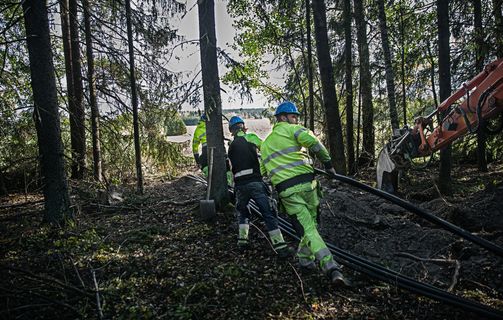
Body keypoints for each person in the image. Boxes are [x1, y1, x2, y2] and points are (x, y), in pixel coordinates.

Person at [260, 101, 348, 285]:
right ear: (283, 117)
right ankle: (331, 267)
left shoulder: (266, 144)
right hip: (308, 187)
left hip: (287, 192)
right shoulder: (295, 130)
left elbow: (263, 171)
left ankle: (305, 260)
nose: (296, 120)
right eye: (293, 116)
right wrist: (329, 166)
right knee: (310, 228)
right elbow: (315, 144)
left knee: (309, 228)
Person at [227, 116, 293, 257]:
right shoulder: (251, 137)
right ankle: (280, 247)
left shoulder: (231, 146)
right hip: (255, 183)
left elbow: (231, 167)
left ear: (232, 131)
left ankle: (242, 241)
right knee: (268, 213)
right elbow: (266, 149)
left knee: (243, 214)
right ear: (243, 127)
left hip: (239, 186)